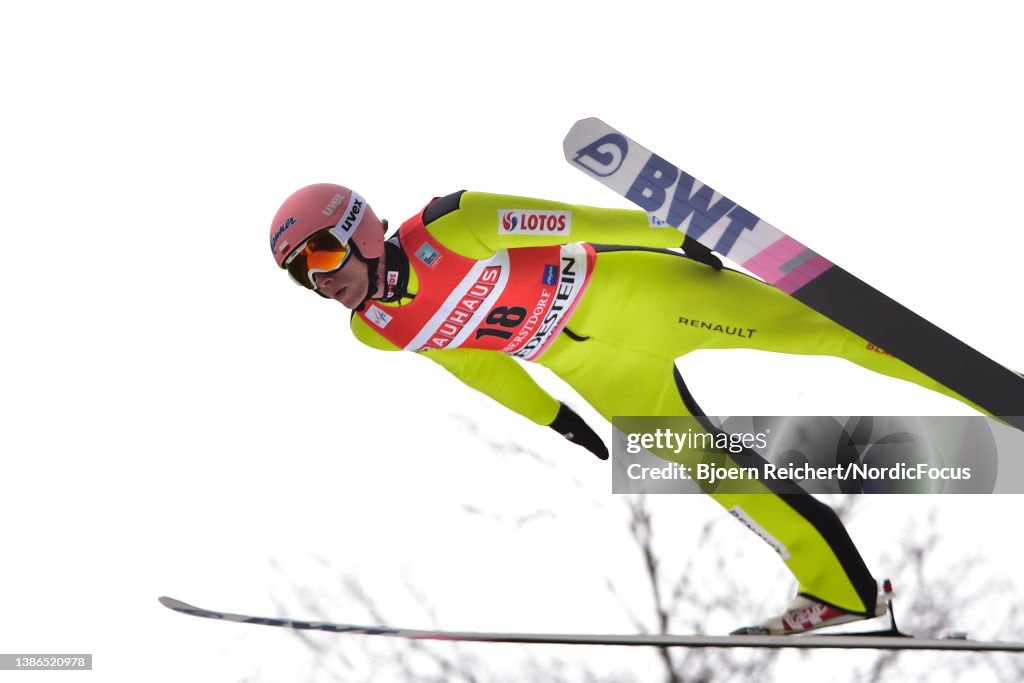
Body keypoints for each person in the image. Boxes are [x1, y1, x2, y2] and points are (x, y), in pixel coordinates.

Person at [268, 184, 976, 634]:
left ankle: (990, 392)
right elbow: (472, 364)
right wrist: (552, 417)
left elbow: (579, 219)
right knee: (702, 464)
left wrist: (677, 233)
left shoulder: (452, 224)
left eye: (324, 255)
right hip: (592, 369)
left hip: (638, 294)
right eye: (304, 273)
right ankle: (841, 588)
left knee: (823, 328)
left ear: (359, 228)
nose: (321, 280)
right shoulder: (376, 330)